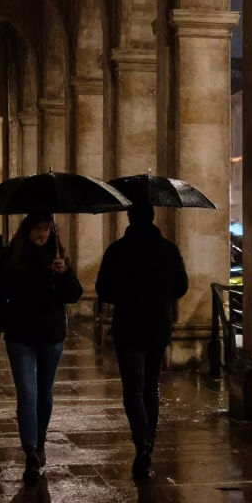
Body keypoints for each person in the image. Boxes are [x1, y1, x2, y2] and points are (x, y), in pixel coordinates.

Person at [0, 212, 83, 486]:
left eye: (46, 229)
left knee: (45, 394)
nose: (42, 234)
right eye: (37, 229)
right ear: (27, 230)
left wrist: (64, 274)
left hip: (51, 335)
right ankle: (30, 453)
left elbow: (73, 294)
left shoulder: (58, 255)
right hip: (20, 333)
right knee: (27, 393)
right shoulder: (11, 256)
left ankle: (40, 442)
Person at [96, 203, 188, 482]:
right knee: (151, 386)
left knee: (132, 390)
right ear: (153, 218)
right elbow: (181, 287)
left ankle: (143, 441)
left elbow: (103, 290)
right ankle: (149, 440)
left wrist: (126, 293)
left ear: (129, 218)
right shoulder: (169, 249)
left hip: (128, 327)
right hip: (158, 326)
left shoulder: (117, 250)